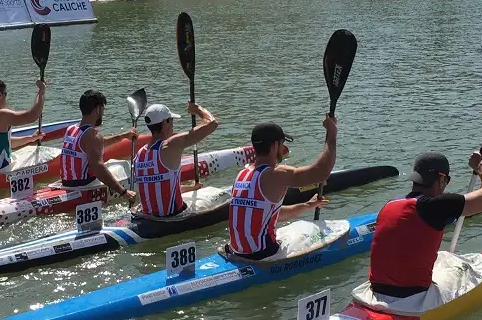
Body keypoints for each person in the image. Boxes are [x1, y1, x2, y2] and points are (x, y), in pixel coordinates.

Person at [365, 151, 482, 298]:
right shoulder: (436, 205)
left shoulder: (390, 205)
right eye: (447, 180)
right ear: (442, 179)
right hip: (411, 295)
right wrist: (480, 166)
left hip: (377, 289)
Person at [226, 119, 336, 261]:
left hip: (236, 252)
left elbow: (270, 213)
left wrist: (307, 205)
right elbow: (321, 173)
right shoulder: (276, 174)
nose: (283, 149)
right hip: (263, 254)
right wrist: (332, 133)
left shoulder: (241, 175)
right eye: (282, 144)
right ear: (274, 146)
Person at [134, 102, 217, 218]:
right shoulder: (170, 145)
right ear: (164, 123)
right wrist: (198, 109)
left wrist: (191, 188)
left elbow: (158, 188)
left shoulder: (139, 154)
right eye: (171, 120)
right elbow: (212, 124)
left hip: (147, 217)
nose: (173, 125)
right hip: (172, 218)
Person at [60, 90, 138, 199]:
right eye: (103, 109)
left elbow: (94, 145)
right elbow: (97, 167)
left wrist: (122, 136)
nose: (103, 113)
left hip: (66, 183)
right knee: (120, 166)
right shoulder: (93, 135)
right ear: (97, 109)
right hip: (85, 186)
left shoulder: (71, 129)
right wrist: (124, 192)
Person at [0, 79, 47, 173]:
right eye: (5, 94)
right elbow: (32, 115)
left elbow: (3, 143)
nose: (5, 98)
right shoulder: (0, 114)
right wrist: (41, 91)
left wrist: (31, 138)